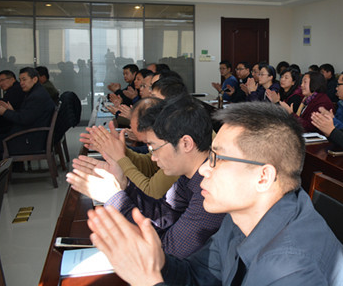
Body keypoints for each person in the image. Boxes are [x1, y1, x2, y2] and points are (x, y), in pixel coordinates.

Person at [85, 102, 343, 286]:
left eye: (217, 159)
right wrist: (157, 262)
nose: (204, 169)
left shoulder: (289, 267)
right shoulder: (240, 216)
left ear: (263, 177)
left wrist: (148, 281)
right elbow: (200, 275)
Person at [67, 96, 225, 259]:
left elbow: (167, 251)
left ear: (186, 143)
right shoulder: (188, 177)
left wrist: (114, 198)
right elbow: (163, 214)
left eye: (154, 148)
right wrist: (124, 184)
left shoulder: (211, 191)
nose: (153, 158)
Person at [79, 98, 179, 199]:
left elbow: (149, 194)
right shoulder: (165, 145)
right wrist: (122, 151)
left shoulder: (177, 153)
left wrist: (119, 157)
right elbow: (151, 166)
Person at [0, 67, 56, 163]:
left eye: (24, 79)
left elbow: (23, 119)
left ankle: (2, 171)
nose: (21, 83)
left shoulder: (36, 96)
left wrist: (5, 112)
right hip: (31, 135)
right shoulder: (36, 92)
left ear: (34, 79)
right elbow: (26, 115)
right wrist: (11, 110)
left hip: (31, 140)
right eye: (20, 80)